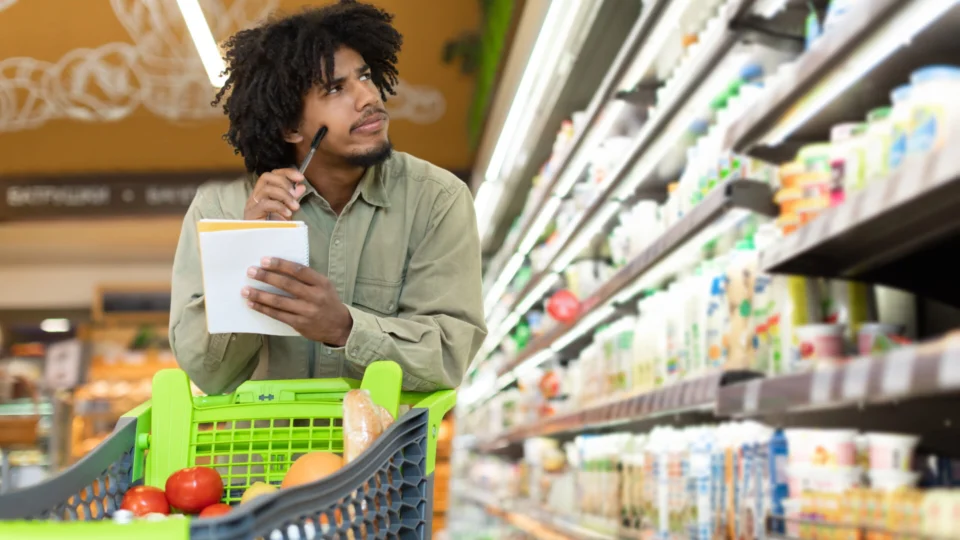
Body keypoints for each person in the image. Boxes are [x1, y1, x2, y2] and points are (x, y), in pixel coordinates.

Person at [169, 1, 487, 394]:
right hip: (260, 452)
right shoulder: (220, 210)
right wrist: (247, 248)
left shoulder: (436, 200)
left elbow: (449, 357)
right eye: (336, 89)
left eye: (365, 76)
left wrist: (344, 328)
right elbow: (209, 374)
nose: (368, 97)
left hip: (382, 454)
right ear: (289, 127)